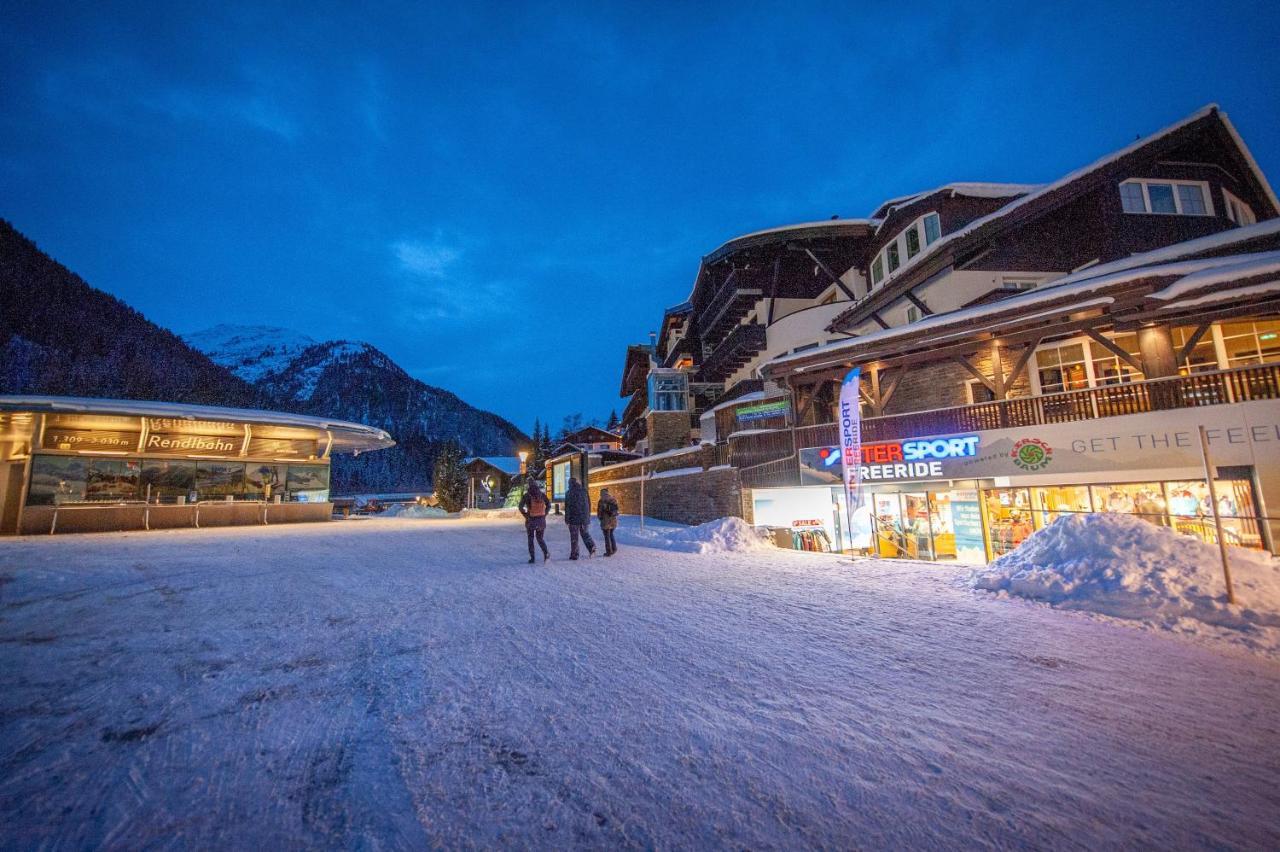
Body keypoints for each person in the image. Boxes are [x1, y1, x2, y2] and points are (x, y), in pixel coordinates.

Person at [519, 477, 552, 564]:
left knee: (531, 539)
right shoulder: (541, 494)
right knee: (540, 538)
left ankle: (532, 558)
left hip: (531, 520)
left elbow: (520, 507)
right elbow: (548, 504)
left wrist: (526, 515)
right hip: (541, 520)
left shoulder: (527, 495)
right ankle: (546, 553)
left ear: (528, 485)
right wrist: (545, 513)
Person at [564, 476, 595, 560]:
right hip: (584, 518)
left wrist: (567, 519)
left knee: (574, 537)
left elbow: (568, 507)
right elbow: (589, 503)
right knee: (585, 533)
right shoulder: (584, 491)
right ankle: (591, 546)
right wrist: (587, 515)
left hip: (574, 518)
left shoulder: (569, 493)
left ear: (570, 483)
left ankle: (574, 554)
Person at [597, 488, 620, 556]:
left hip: (605, 521)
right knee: (611, 534)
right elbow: (617, 510)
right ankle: (614, 548)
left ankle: (609, 551)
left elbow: (599, 512)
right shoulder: (613, 499)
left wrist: (600, 518)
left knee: (607, 536)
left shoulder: (601, 501)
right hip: (613, 521)